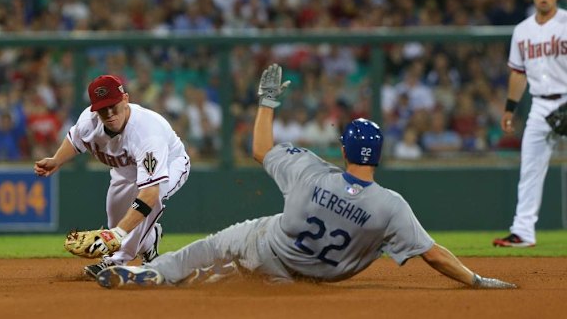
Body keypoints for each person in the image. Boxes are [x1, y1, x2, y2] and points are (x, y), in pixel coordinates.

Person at [95, 65, 515, 290]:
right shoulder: (392, 207)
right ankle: (214, 278)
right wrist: (477, 280)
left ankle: (150, 274)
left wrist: (267, 102)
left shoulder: (312, 171)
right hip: (306, 277)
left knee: (210, 248)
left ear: (344, 149)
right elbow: (435, 255)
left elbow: (259, 149)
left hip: (268, 246)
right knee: (243, 275)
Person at [33, 75, 191, 278]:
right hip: (125, 170)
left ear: (125, 99)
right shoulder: (89, 122)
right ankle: (149, 242)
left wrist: (116, 235)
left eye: (113, 106)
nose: (108, 113)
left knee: (145, 205)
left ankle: (115, 261)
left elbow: (150, 193)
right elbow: (75, 139)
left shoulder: (147, 133)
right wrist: (56, 160)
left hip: (169, 164)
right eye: (102, 108)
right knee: (117, 217)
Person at [493, 0, 567, 248]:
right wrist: (510, 109)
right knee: (530, 169)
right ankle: (523, 232)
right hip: (539, 105)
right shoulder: (522, 30)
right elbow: (518, 73)